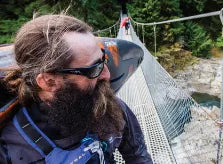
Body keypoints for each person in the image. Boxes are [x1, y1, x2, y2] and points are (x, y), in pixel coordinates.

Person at [0, 14, 152, 164]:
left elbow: (138, 156)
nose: (107, 74)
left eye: (103, 60)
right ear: (49, 82)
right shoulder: (12, 151)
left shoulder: (109, 107)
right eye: (94, 69)